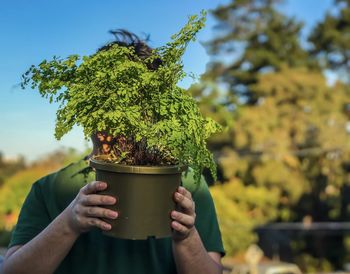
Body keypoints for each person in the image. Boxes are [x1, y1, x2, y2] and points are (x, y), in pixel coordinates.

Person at [1, 31, 225, 274]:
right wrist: (68, 224)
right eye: (111, 106)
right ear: (88, 109)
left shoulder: (188, 185)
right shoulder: (50, 190)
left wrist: (187, 237)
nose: (123, 123)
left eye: (137, 106)